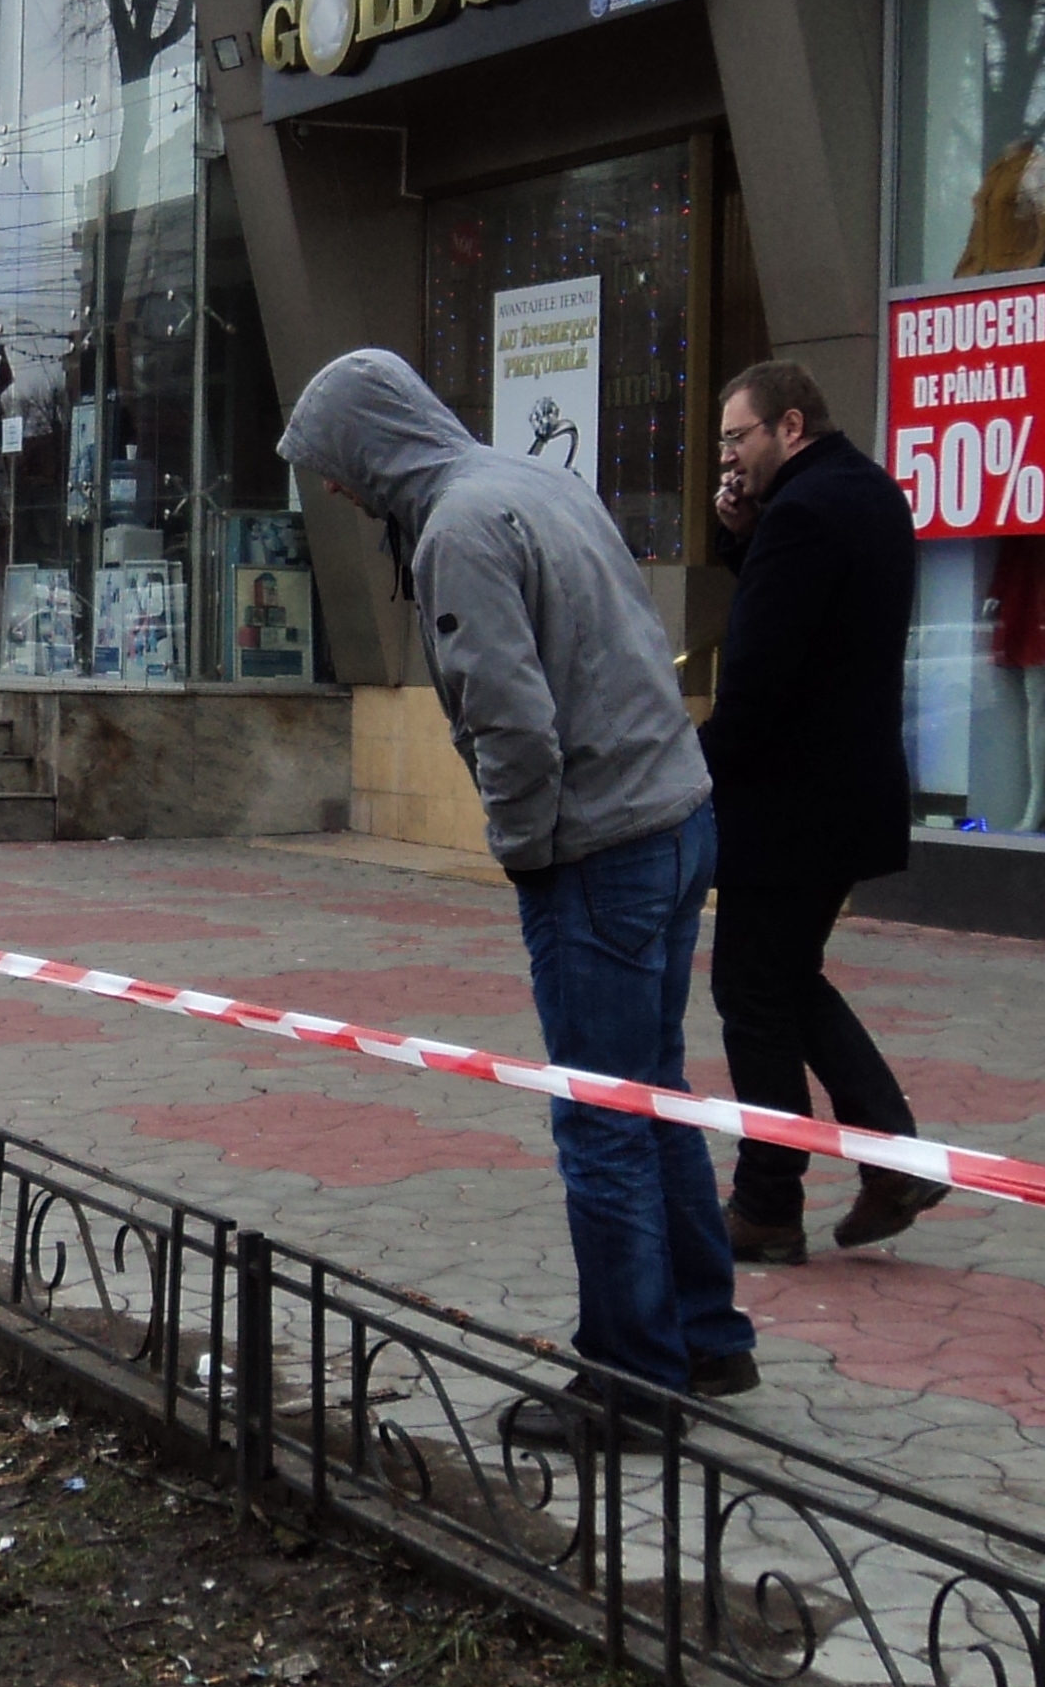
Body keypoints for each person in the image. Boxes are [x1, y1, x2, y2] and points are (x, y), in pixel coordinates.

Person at [281, 348, 754, 1417]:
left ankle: (631, 1379)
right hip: (675, 814)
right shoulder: (535, 484)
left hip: (599, 847)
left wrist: (522, 849)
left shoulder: (456, 530)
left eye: (333, 467)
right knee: (651, 1092)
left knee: (598, 1117)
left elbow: (511, 720)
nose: (336, 492)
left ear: (368, 444)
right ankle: (705, 1336)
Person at [701, 361, 940, 1267]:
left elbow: (763, 677)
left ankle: (767, 1204)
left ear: (788, 426)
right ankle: (892, 1156)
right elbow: (825, 618)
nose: (728, 457)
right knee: (787, 978)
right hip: (848, 794)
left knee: (752, 992)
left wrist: (692, 777)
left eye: (737, 437)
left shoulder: (801, 515)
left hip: (789, 805)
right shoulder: (869, 492)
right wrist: (741, 539)